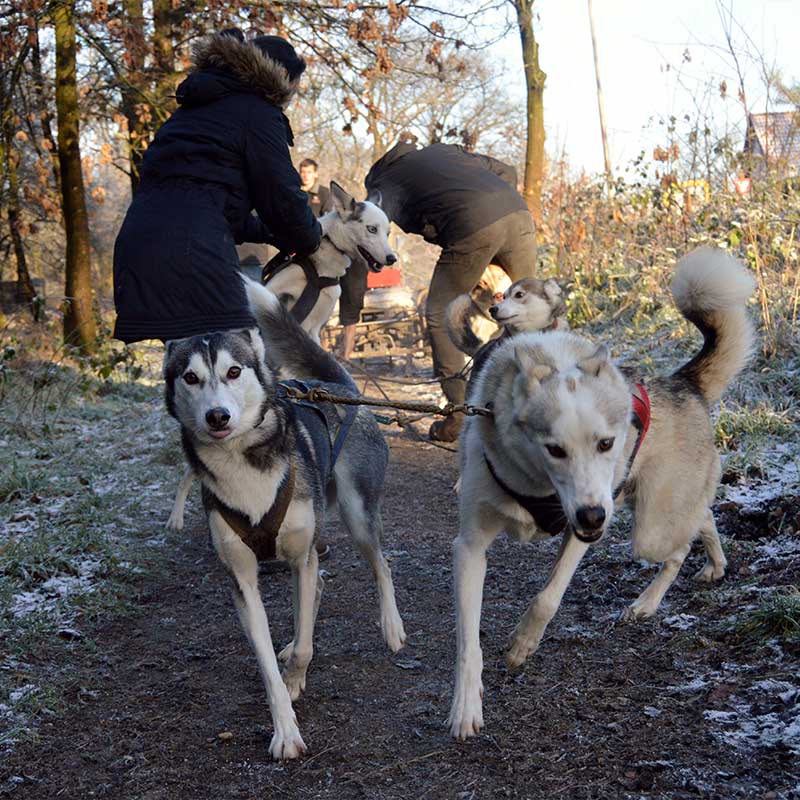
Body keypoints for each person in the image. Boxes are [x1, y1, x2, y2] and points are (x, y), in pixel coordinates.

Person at [113, 28, 320, 344]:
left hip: (139, 248)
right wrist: (311, 238)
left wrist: (269, 233)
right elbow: (283, 197)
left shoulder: (192, 112)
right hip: (194, 255)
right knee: (241, 355)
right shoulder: (259, 113)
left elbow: (214, 204)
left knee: (189, 371)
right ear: (283, 79)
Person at [364, 140, 537, 441]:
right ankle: (545, 405)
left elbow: (370, 227)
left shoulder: (385, 180)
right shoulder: (444, 151)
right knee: (531, 313)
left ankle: (458, 415)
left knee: (439, 314)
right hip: (518, 215)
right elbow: (507, 171)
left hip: (472, 226)